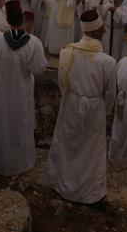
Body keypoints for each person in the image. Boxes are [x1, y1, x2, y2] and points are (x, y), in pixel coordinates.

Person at [47, 10, 117, 204]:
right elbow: (111, 94)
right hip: (94, 108)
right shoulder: (108, 62)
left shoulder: (67, 52)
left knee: (69, 143)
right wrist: (106, 112)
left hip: (70, 103)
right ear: (98, 32)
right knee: (90, 150)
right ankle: (87, 191)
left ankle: (63, 183)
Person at [0, 0, 47, 176]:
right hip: (22, 93)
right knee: (20, 124)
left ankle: (0, 159)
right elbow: (39, 68)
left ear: (8, 21)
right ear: (23, 21)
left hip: (3, 91)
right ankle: (19, 162)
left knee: (2, 123)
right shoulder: (33, 43)